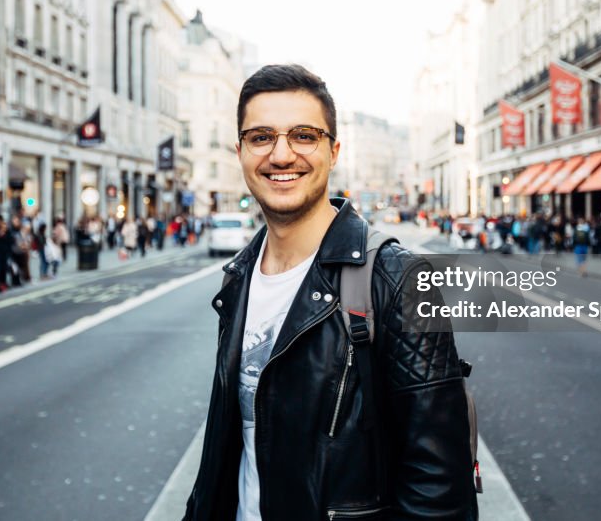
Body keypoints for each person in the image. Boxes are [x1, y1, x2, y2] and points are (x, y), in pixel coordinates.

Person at [183, 65, 474, 520]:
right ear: (239, 151)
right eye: (261, 137)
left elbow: (439, 491)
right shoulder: (238, 278)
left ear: (333, 151)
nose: (281, 155)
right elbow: (228, 448)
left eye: (303, 135)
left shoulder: (397, 278)